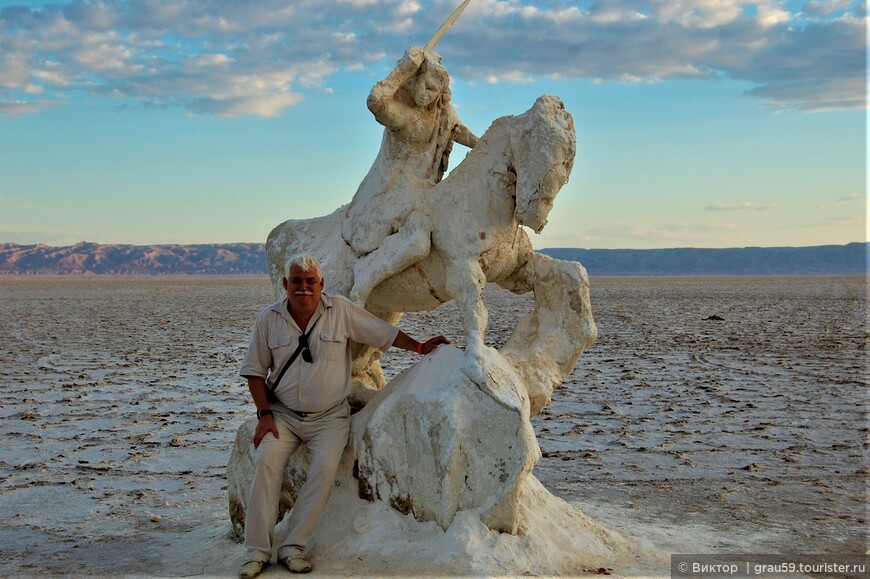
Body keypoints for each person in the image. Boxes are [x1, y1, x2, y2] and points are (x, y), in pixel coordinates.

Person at [237, 254, 449, 578]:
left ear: (321, 284)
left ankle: (292, 549)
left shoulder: (341, 311)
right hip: (282, 415)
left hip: (329, 418)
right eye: (297, 281)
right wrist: (264, 415)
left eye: (310, 281)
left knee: (322, 471)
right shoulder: (269, 319)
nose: (304, 288)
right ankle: (257, 553)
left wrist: (420, 347)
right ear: (285, 285)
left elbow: (383, 333)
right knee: (266, 461)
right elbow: (254, 372)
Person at [342, 46, 478, 305]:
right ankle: (366, 277)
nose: (427, 95)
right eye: (425, 86)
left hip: (426, 189)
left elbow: (459, 132)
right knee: (416, 241)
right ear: (415, 80)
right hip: (395, 190)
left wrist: (485, 146)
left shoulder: (443, 114)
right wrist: (402, 70)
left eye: (433, 91)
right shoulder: (404, 114)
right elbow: (376, 102)